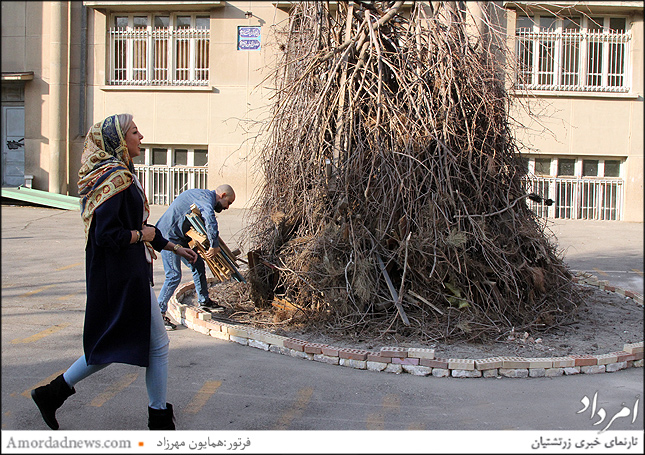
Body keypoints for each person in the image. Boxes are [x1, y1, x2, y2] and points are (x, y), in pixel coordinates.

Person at [31, 114, 197, 431]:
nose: (142, 136)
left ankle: (53, 394)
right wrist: (141, 237)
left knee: (133, 345)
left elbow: (140, 228)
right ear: (118, 140)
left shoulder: (121, 174)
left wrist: (175, 248)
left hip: (129, 272)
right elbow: (106, 236)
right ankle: (157, 419)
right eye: (135, 132)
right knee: (131, 346)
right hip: (118, 276)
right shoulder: (114, 179)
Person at [155, 185, 236, 329]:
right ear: (222, 195)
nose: (227, 207)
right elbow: (209, 219)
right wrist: (214, 245)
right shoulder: (205, 198)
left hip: (180, 238)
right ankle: (158, 315)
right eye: (228, 203)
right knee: (173, 275)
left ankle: (204, 301)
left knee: (197, 263)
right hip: (168, 237)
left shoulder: (202, 196)